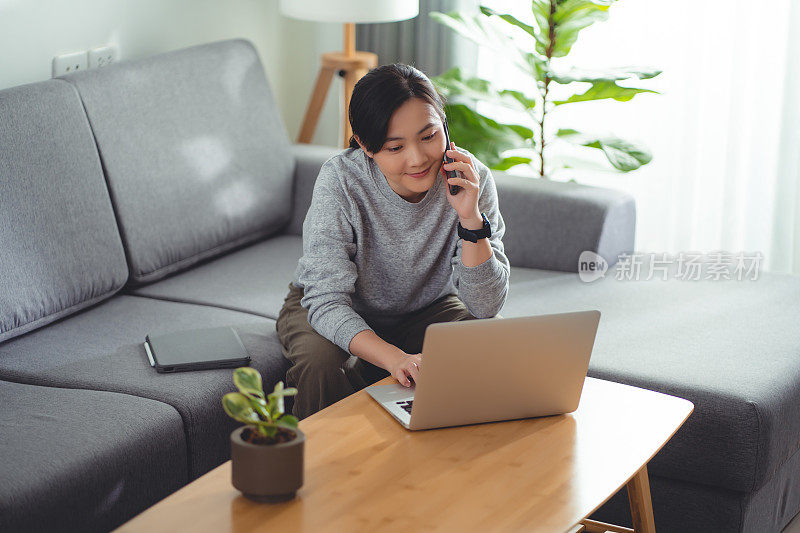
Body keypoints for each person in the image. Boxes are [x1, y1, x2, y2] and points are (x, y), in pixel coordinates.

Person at [276, 63, 510, 420]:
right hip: (334, 303)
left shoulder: (471, 178)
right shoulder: (341, 180)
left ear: (444, 126)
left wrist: (470, 219)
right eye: (395, 147)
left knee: (488, 338)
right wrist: (394, 358)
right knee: (320, 362)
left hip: (425, 307)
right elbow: (325, 300)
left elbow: (485, 305)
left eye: (429, 136)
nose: (417, 159)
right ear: (366, 148)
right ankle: (320, 470)